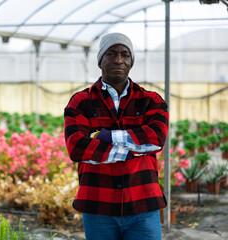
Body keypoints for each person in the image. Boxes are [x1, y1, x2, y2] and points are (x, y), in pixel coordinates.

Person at [64, 32, 168, 240]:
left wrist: (105, 137)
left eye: (124, 54)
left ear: (131, 62)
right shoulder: (80, 102)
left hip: (143, 204)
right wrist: (133, 150)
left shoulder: (151, 100)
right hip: (98, 205)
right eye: (111, 54)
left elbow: (156, 139)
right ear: (100, 61)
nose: (118, 59)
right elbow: (77, 148)